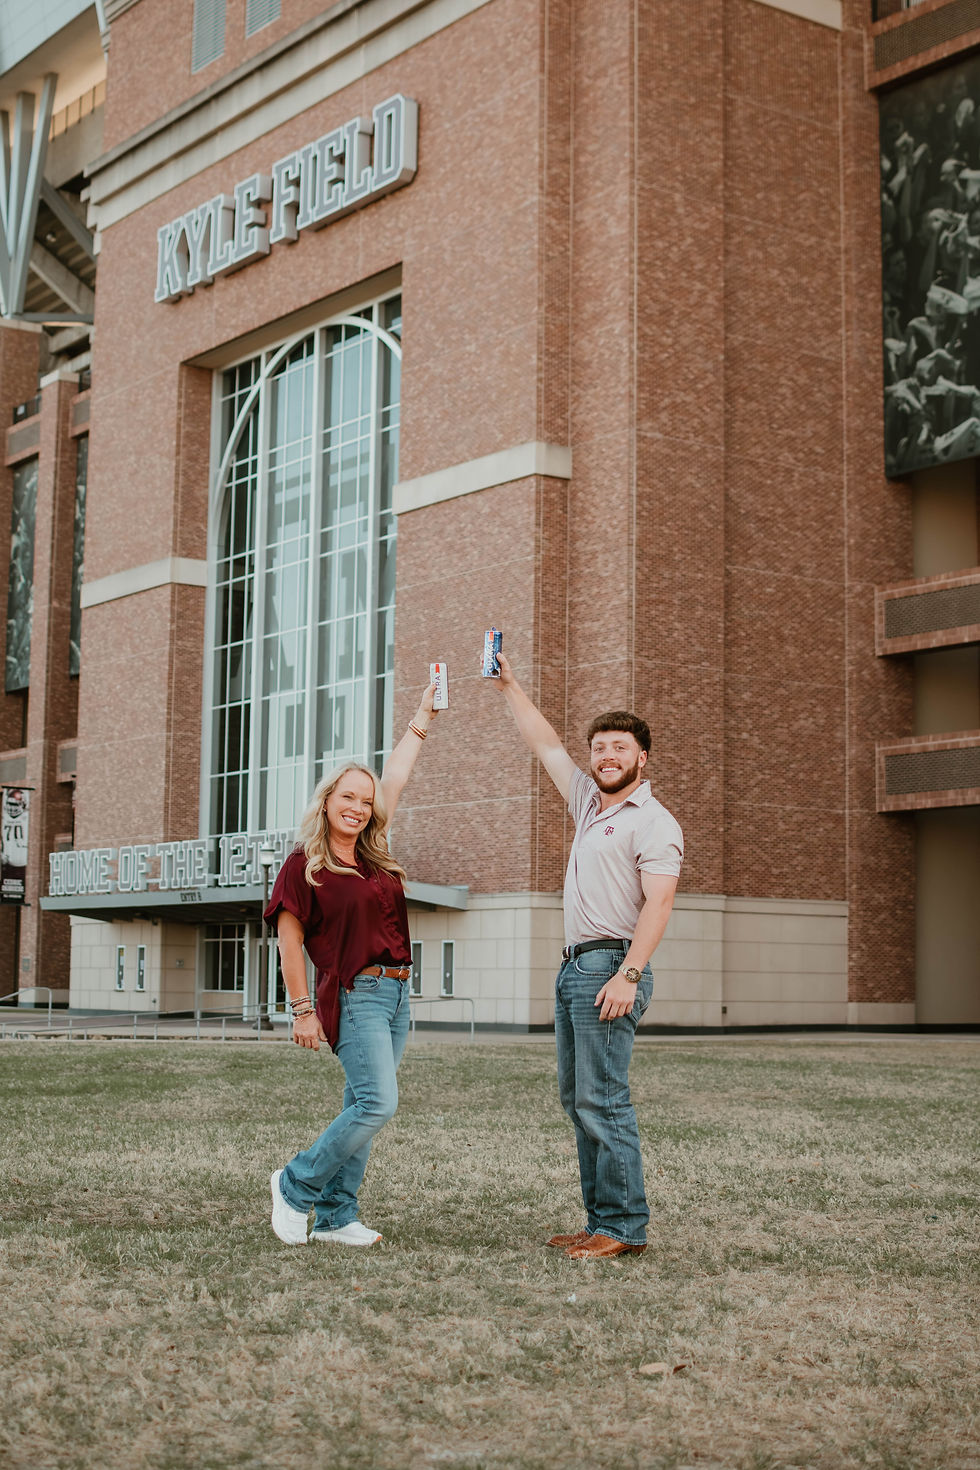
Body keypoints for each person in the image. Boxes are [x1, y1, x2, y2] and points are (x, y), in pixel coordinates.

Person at [489, 653, 682, 1259]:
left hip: (610, 967)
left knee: (605, 1099)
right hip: (576, 967)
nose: (606, 756)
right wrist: (512, 686)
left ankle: (624, 1229)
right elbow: (546, 745)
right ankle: (601, 1219)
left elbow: (659, 904)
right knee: (578, 1100)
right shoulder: (588, 803)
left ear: (641, 757)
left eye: (619, 747)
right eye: (599, 747)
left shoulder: (651, 820)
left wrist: (629, 974)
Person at [264, 682, 438, 1247]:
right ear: (326, 800)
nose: (360, 807)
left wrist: (421, 716)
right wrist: (301, 1011)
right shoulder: (303, 865)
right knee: (377, 1103)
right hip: (355, 993)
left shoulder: (372, 851)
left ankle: (339, 1218)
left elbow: (398, 778)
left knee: (360, 1102)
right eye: (349, 798)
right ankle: (295, 1184)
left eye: (366, 801)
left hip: (396, 995)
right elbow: (290, 944)